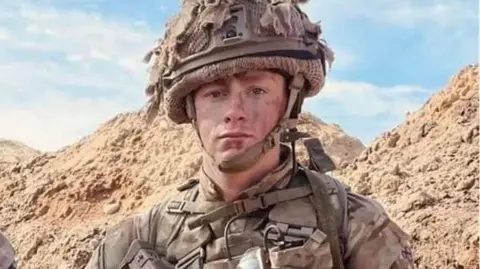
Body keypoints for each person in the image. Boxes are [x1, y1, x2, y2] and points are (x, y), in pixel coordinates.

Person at [86, 0, 415, 268]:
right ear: (191, 110)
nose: (234, 110)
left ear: (289, 103)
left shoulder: (351, 223)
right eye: (215, 94)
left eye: (256, 90)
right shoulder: (135, 240)